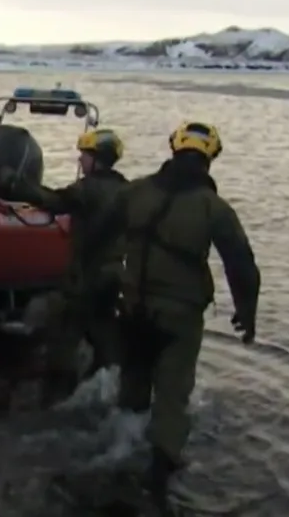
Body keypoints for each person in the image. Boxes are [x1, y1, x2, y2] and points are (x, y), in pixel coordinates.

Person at [79, 121, 261, 496]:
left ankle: (118, 457)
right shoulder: (214, 208)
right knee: (172, 400)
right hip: (178, 320)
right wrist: (247, 314)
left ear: (174, 149)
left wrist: (93, 285)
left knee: (132, 392)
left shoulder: (133, 192)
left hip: (133, 312)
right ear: (209, 158)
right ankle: (159, 478)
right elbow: (242, 266)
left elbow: (94, 238)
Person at [9, 128, 129, 405]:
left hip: (84, 282)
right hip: (112, 282)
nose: (80, 160)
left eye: (84, 155)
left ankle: (56, 399)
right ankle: (108, 396)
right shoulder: (127, 190)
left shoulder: (88, 189)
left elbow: (53, 201)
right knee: (106, 346)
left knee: (63, 344)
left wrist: (18, 184)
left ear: (97, 158)